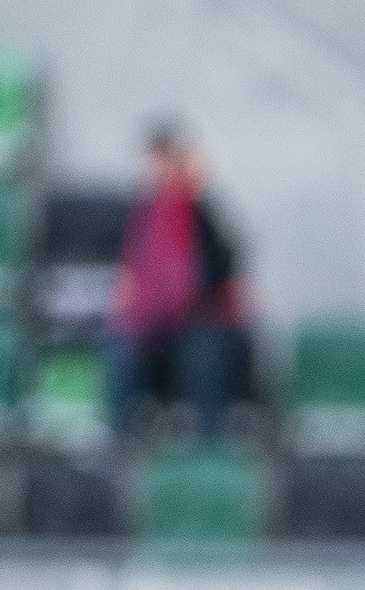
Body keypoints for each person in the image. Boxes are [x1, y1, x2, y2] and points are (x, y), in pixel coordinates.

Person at [102, 121, 252, 439]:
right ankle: (120, 447)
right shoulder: (142, 215)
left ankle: (208, 446)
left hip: (200, 324)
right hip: (154, 329)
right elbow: (131, 283)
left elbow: (222, 279)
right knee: (119, 348)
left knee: (204, 353)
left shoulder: (203, 215)